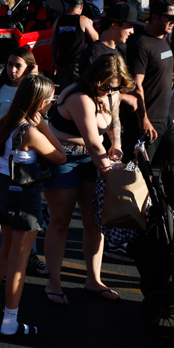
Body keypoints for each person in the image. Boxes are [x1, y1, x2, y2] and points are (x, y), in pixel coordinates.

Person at [0, 75, 66, 336]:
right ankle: (10, 322)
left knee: (5, 252)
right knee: (19, 262)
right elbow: (61, 156)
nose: (51, 104)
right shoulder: (31, 132)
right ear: (40, 104)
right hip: (25, 198)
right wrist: (45, 126)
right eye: (50, 101)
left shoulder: (5, 123)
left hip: (4, 191)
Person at [42, 55, 132, 305]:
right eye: (105, 86)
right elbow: (92, 143)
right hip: (64, 157)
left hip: (93, 158)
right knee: (60, 221)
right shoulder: (79, 97)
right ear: (94, 79)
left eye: (115, 87)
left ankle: (94, 280)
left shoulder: (112, 93)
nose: (110, 91)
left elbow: (115, 119)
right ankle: (54, 283)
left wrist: (116, 144)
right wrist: (111, 174)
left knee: (95, 223)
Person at [0, 47, 46, 273]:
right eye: (9, 64)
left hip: (28, 160)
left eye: (18, 65)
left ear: (29, 67)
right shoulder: (2, 90)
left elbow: (43, 120)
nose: (12, 70)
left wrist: (34, 77)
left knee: (29, 209)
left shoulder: (36, 89)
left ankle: (30, 255)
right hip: (3, 158)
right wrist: (3, 134)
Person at [127, 0, 174, 171]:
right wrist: (143, 119)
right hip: (148, 119)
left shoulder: (162, 40)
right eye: (170, 18)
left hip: (164, 117)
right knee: (139, 170)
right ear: (155, 17)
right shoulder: (141, 44)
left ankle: (161, 189)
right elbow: (136, 85)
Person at [52, 0, 99, 88]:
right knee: (78, 89)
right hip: (77, 63)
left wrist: (54, 61)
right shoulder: (83, 20)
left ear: (69, 7)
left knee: (65, 90)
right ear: (81, 7)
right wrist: (91, 25)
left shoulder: (58, 20)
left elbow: (54, 43)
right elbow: (95, 38)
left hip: (62, 62)